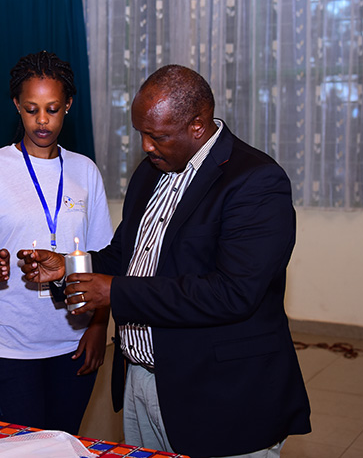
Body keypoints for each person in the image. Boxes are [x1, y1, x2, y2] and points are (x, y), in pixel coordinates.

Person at [20, 65, 311, 457]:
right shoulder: (153, 171)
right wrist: (69, 267)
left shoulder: (254, 181)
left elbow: (233, 292)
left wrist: (115, 292)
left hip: (221, 394)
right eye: (141, 133)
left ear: (197, 126)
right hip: (142, 380)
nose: (146, 146)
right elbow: (127, 254)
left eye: (156, 136)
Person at [0, 51, 113, 434]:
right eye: (31, 109)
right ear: (16, 106)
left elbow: (103, 259)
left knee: (62, 443)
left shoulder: (84, 171)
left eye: (53, 109)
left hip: (72, 342)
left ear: (68, 106)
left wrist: (97, 327)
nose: (42, 121)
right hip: (6, 345)